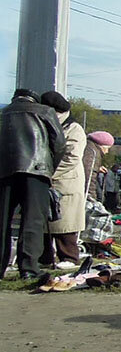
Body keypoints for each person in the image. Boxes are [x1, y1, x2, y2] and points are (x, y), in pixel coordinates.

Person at [0, 89, 65, 279]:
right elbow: (59, 143)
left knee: (3, 220)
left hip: (5, 171)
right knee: (33, 220)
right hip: (37, 170)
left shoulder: (3, 114)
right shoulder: (44, 112)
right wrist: (50, 167)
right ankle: (28, 268)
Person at [38, 91, 86, 266]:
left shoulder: (74, 129)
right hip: (48, 182)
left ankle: (69, 257)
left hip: (66, 182)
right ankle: (44, 258)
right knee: (45, 224)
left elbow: (72, 157)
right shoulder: (48, 125)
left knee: (65, 224)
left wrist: (49, 173)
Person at [84, 131, 114, 202]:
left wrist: (97, 168)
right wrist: (91, 197)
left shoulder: (88, 148)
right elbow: (89, 175)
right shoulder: (93, 153)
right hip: (85, 193)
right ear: (102, 145)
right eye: (107, 148)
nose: (107, 152)